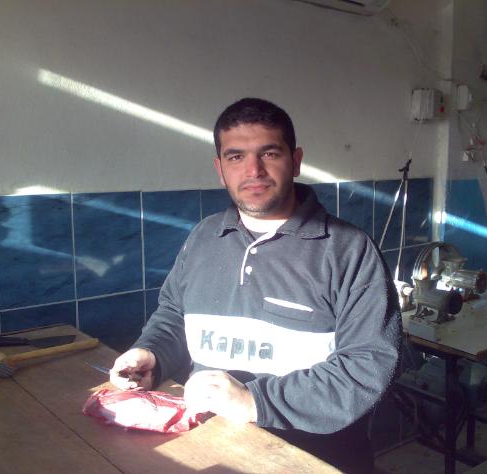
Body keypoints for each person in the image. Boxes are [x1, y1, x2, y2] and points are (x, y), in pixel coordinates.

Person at [111, 97, 402, 472]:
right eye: (236, 157)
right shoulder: (203, 238)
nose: (253, 170)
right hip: (209, 450)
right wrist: (152, 355)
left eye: (269, 153)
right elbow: (173, 315)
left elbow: (367, 366)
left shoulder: (348, 250)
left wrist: (254, 401)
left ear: (295, 160)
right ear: (220, 169)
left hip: (313, 461)